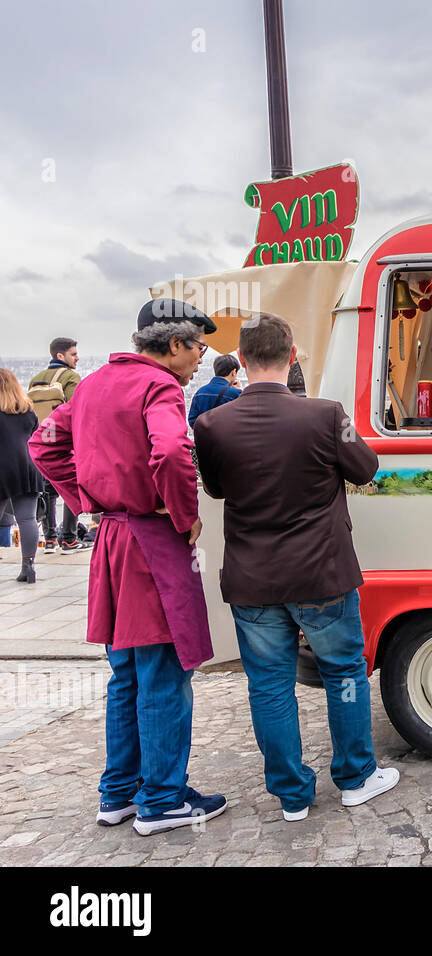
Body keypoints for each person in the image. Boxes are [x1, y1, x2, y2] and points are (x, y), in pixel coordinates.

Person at [28, 299, 227, 836]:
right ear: (176, 344)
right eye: (197, 348)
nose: (198, 361)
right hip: (150, 542)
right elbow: (169, 451)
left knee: (126, 676)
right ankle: (162, 799)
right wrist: (184, 515)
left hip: (112, 542)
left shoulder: (90, 383)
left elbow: (42, 444)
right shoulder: (159, 386)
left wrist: (88, 499)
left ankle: (119, 793)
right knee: (165, 671)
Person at [193, 313, 397, 822]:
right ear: (292, 357)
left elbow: (216, 490)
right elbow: (367, 469)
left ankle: (291, 795)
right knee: (344, 671)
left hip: (252, 578)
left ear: (240, 361)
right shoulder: (326, 416)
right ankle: (355, 776)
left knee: (268, 685)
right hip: (321, 573)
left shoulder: (210, 425)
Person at [28, 337, 87, 554]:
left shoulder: (36, 379)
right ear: (60, 356)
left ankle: (50, 539)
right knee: (72, 485)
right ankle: (69, 539)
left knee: (48, 491)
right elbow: (76, 409)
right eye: (73, 354)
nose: (77, 358)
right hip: (64, 440)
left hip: (41, 440)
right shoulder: (71, 376)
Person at [0, 369, 43, 583]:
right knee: (27, 519)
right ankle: (29, 566)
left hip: (2, 469)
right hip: (28, 468)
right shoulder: (28, 413)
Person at [187, 353, 242, 427]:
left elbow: (192, 420)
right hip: (227, 437)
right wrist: (241, 392)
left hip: (205, 437)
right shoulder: (236, 394)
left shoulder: (200, 392)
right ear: (234, 372)